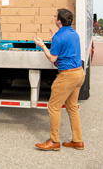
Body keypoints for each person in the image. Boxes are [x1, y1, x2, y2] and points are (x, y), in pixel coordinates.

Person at [33, 8, 85, 151]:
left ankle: (54, 140)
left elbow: (52, 58)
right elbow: (65, 47)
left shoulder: (59, 37)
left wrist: (43, 45)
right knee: (72, 107)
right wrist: (53, 39)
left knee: (54, 106)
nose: (54, 18)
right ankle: (78, 140)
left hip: (67, 76)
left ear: (59, 21)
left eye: (55, 16)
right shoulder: (74, 34)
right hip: (79, 73)